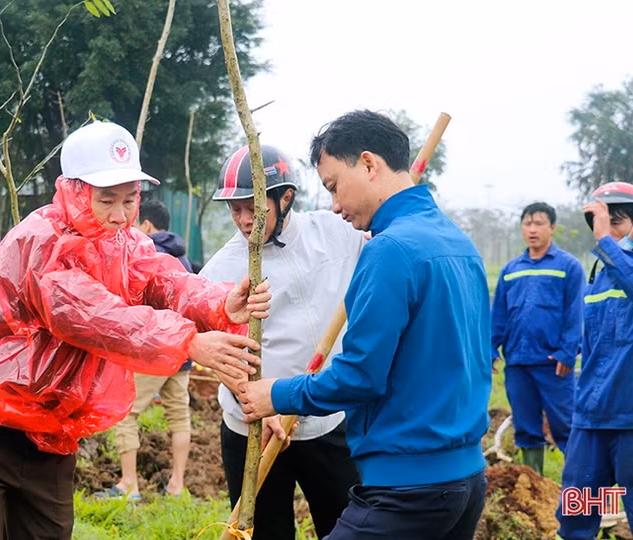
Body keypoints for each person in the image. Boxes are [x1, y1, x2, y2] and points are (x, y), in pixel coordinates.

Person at [0, 121, 272, 540]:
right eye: (107, 199)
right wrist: (187, 340)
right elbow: (94, 317)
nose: (120, 214)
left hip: (50, 433)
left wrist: (219, 304)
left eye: (130, 199)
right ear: (75, 191)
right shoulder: (42, 242)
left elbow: (161, 280)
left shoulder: (121, 241)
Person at [237, 110, 491, 540]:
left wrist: (276, 394)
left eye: (335, 186)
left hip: (409, 488)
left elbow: (360, 377)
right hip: (466, 478)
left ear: (369, 164)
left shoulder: (391, 250)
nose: (334, 206)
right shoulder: (456, 241)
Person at [200, 144, 363, 539]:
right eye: (233, 209)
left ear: (285, 197)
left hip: (326, 421)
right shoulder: (222, 268)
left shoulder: (333, 234)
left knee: (347, 526)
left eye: (251, 207)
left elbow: (386, 243)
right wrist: (250, 397)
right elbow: (209, 343)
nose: (242, 220)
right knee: (263, 532)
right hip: (252, 428)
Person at [556, 182, 633, 540]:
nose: (608, 233)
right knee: (578, 516)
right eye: (602, 223)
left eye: (618, 222)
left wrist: (608, 246)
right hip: (591, 421)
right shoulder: (596, 278)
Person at [490, 202, 585, 474]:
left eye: (539, 223)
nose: (533, 230)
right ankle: (535, 487)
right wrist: (491, 349)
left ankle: (578, 487)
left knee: (565, 426)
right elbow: (499, 315)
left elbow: (574, 313)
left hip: (554, 363)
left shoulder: (567, 266)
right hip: (518, 362)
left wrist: (568, 353)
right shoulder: (511, 269)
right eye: (528, 223)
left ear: (552, 228)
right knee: (526, 428)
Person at [109, 199, 194, 499]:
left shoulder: (150, 255)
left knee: (125, 414)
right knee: (179, 416)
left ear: (145, 225)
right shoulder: (182, 257)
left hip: (157, 353)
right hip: (185, 351)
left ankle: (128, 485)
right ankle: (177, 484)